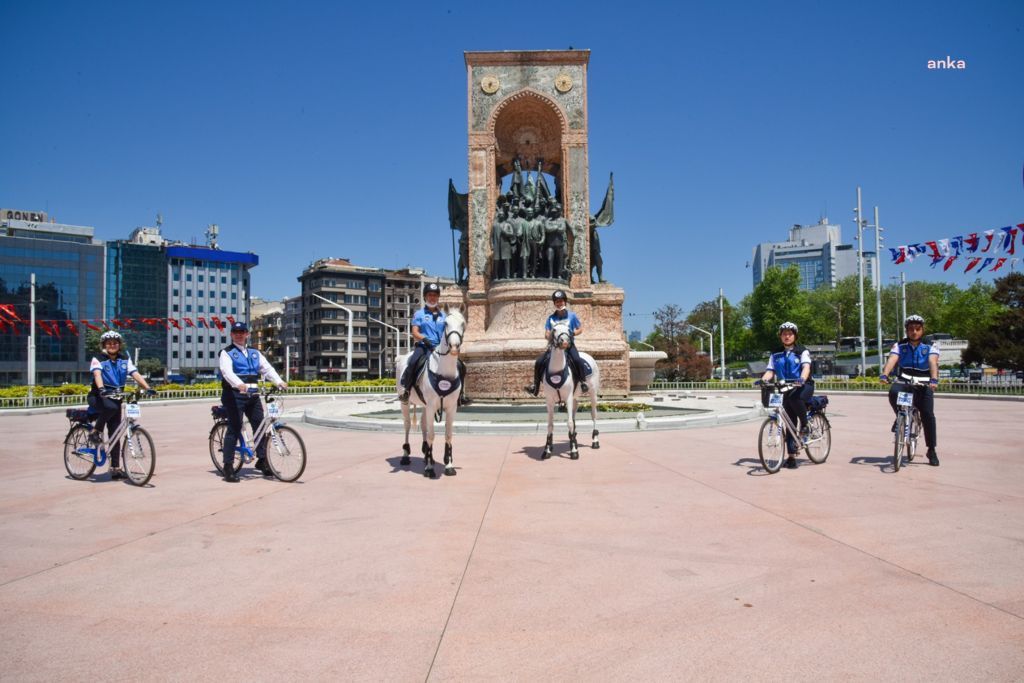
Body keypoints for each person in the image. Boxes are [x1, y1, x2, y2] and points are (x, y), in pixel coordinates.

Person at [218, 321, 288, 483]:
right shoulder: (226, 353)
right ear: (231, 335)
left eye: (242, 331)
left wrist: (279, 381)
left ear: (247, 334)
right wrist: (238, 385)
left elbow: (267, 369)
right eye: (236, 332)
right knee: (234, 428)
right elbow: (227, 372)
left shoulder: (255, 353)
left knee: (260, 425)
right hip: (234, 394)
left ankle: (262, 460)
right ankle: (228, 466)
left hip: (253, 394)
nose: (239, 334)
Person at [88, 330, 157, 480]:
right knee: (110, 408)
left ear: (119, 345)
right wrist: (101, 389)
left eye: (115, 343)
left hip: (116, 397)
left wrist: (147, 387)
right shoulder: (98, 358)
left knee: (116, 433)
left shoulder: (125, 359)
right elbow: (97, 374)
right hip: (98, 397)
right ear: (104, 345)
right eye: (109, 343)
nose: (112, 345)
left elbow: (135, 373)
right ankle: (95, 431)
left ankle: (115, 468)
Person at [879, 314, 941, 466]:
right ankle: (899, 416)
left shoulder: (930, 346)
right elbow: (892, 359)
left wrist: (934, 379)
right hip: (905, 381)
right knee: (893, 392)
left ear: (922, 330)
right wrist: (884, 374)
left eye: (917, 329)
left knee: (928, 415)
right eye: (911, 329)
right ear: (906, 330)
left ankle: (931, 450)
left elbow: (933, 362)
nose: (914, 332)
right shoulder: (900, 346)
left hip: (924, 383)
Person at [759, 321, 814, 469]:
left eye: (790, 334)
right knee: (788, 420)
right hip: (785, 388)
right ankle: (791, 457)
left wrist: (802, 379)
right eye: (784, 334)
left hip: (803, 386)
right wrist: (763, 380)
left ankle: (805, 425)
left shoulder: (802, 351)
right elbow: (770, 371)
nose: (787, 336)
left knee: (796, 398)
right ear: (780, 337)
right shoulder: (775, 353)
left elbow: (806, 367)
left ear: (795, 336)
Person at [525, 290, 588, 396]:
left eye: (561, 301)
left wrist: (572, 334)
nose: (559, 304)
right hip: (555, 347)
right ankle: (535, 386)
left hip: (568, 345)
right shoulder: (551, 318)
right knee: (539, 361)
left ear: (565, 302)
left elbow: (580, 329)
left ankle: (583, 382)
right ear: (554, 304)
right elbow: (547, 333)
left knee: (577, 359)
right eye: (557, 302)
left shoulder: (572, 316)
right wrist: (549, 336)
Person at [400, 283, 446, 403]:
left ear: (438, 297)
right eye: (430, 295)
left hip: (440, 348)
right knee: (413, 362)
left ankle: (460, 395)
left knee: (458, 365)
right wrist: (424, 339)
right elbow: (415, 332)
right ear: (425, 297)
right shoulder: (419, 314)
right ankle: (407, 389)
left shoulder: (443, 315)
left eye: (435, 295)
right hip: (424, 347)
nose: (432, 298)